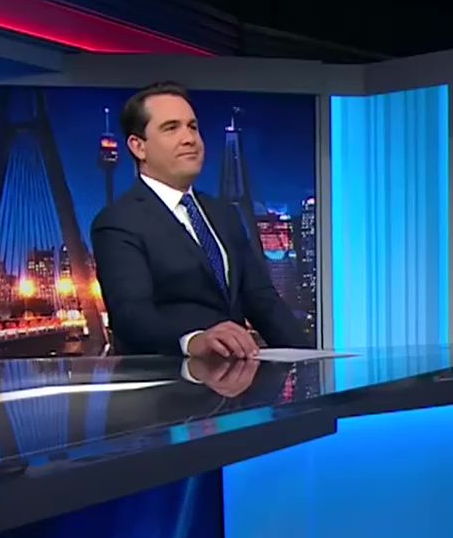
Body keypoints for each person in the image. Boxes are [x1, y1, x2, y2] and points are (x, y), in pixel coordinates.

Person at [89, 81, 309, 358]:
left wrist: (313, 363)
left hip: (235, 378)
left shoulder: (222, 214)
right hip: (168, 379)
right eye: (171, 128)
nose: (189, 138)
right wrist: (192, 341)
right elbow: (131, 316)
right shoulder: (118, 222)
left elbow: (263, 302)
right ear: (138, 147)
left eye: (192, 127)